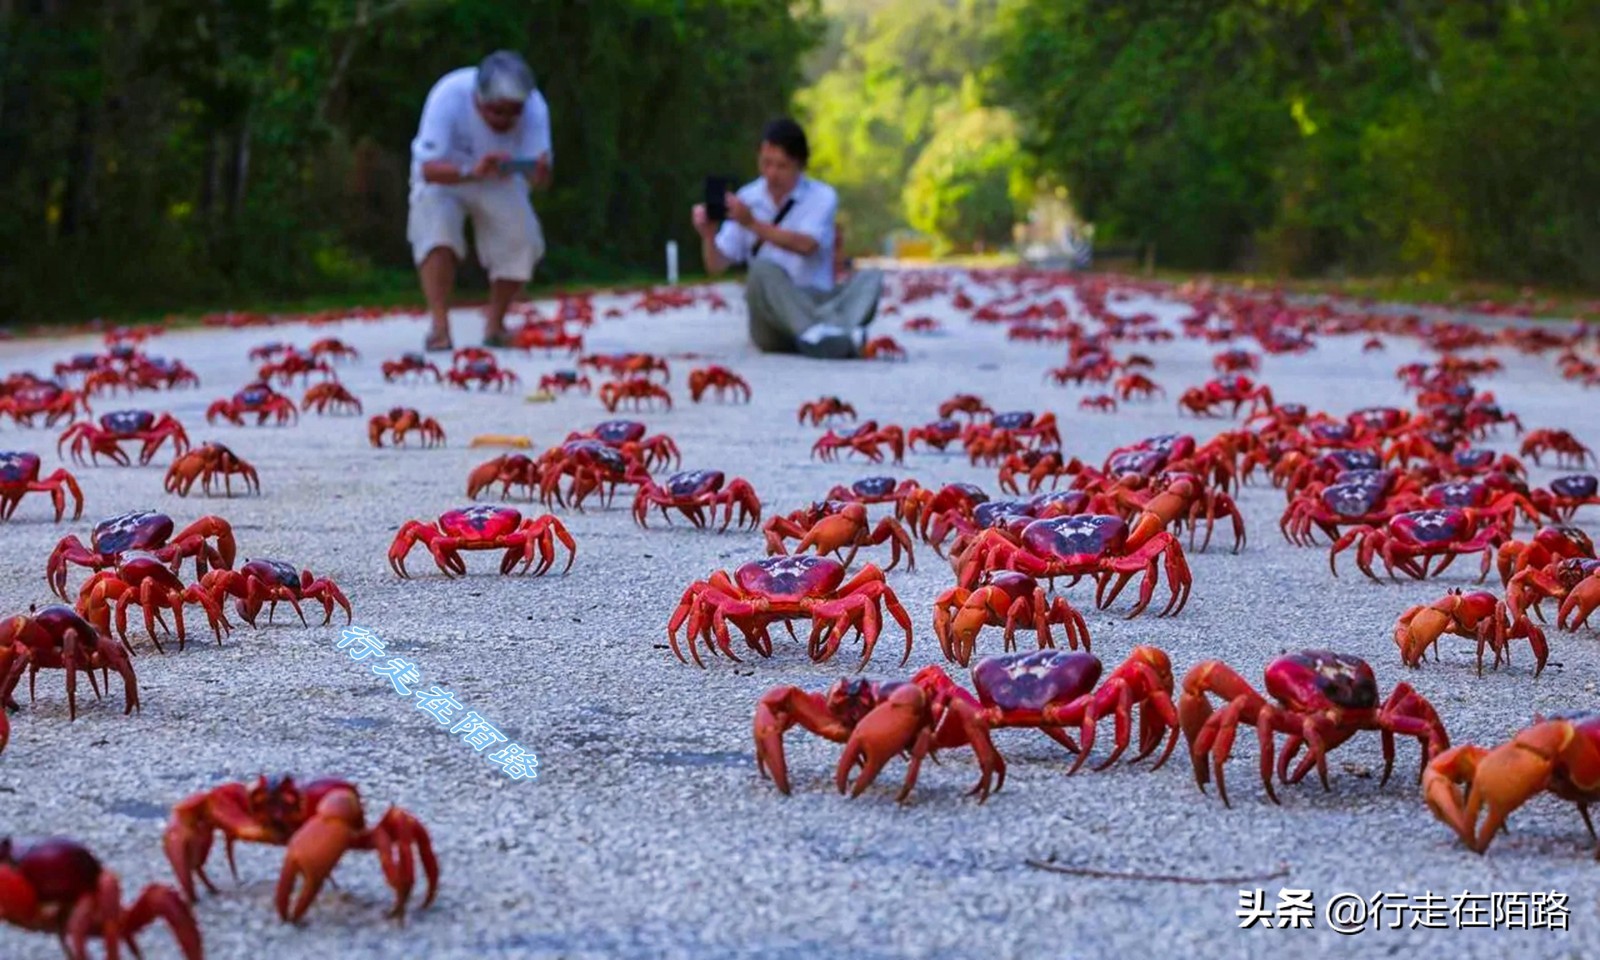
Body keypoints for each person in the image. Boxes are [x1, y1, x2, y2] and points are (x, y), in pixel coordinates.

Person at [691, 118, 882, 359]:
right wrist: (708, 236)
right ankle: (826, 334)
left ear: (800, 165)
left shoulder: (822, 197)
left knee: (871, 279)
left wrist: (752, 223)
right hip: (771, 320)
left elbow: (807, 245)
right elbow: (715, 265)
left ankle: (819, 334)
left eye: (781, 166)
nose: (772, 173)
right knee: (762, 270)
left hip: (817, 300)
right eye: (766, 163)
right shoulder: (747, 198)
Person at [408, 50, 552, 351]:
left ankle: (496, 325)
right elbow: (428, 168)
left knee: (523, 239)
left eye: (515, 112)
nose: (506, 120)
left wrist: (538, 173)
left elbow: (541, 177)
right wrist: (470, 170)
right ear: (478, 98)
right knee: (437, 232)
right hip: (447, 173)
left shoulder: (535, 107)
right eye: (497, 112)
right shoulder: (449, 94)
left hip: (500, 177)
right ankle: (439, 327)